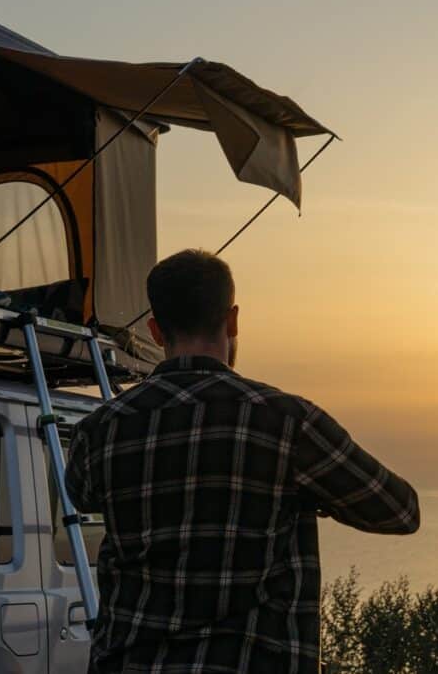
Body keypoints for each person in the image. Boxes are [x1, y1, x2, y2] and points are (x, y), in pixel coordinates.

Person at [66, 249, 420, 673]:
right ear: (232, 320)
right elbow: (401, 510)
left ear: (156, 330)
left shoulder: (99, 430)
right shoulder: (287, 423)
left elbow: (83, 497)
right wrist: (310, 492)